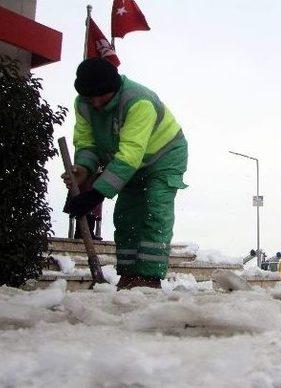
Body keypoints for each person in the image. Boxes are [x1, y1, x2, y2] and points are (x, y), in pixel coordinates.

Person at [62, 57, 188, 289]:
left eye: (102, 96)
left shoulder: (139, 101)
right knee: (126, 214)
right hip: (123, 160)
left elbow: (130, 154)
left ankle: (149, 278)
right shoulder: (83, 104)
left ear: (115, 88)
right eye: (91, 97)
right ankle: (129, 274)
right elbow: (86, 141)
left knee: (153, 210)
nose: (97, 103)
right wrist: (83, 169)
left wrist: (95, 194)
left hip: (163, 157)